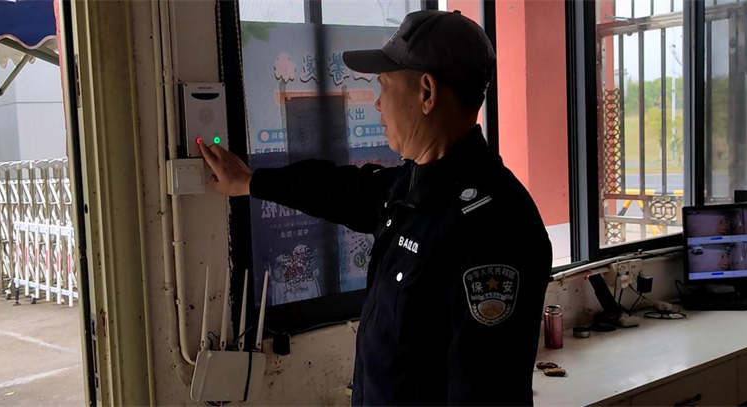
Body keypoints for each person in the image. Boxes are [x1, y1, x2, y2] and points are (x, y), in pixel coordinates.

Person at [199, 9, 551, 406]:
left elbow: (483, 394)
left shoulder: (494, 228)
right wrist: (250, 182)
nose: (378, 104)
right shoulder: (414, 186)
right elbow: (341, 189)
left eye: (384, 86)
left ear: (426, 93)